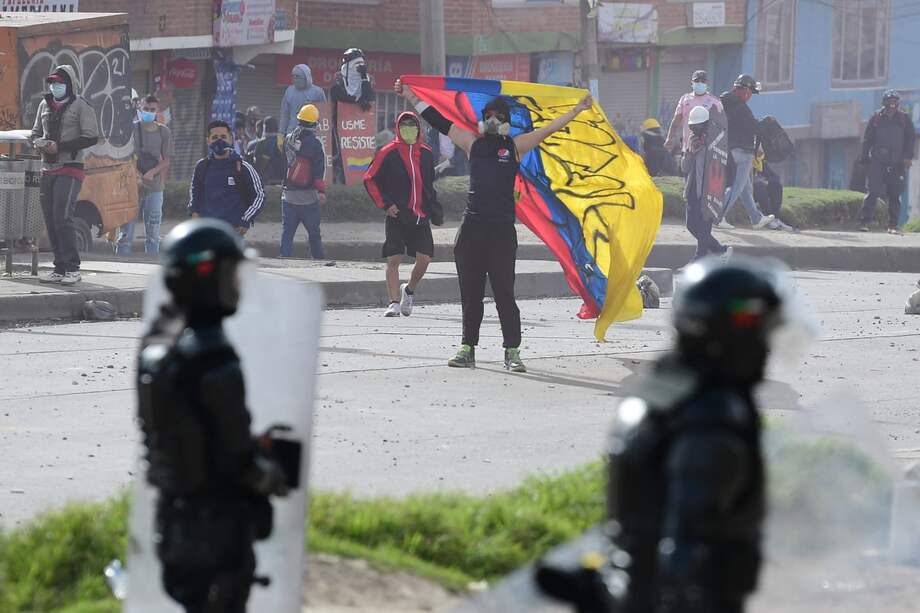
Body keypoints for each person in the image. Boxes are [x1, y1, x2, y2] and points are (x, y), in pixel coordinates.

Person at [537, 256, 810, 613]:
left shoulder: (664, 393)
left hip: (631, 593)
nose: (766, 349)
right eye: (759, 334)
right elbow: (685, 546)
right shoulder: (710, 421)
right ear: (732, 338)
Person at [138, 219, 290, 613]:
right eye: (230, 274)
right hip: (216, 525)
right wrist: (270, 473)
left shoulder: (158, 341)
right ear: (209, 277)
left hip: (173, 516)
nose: (237, 284)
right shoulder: (214, 358)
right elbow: (235, 456)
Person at [396, 78, 592, 372]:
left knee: (504, 294)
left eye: (499, 117)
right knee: (470, 294)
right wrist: (411, 95)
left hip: (501, 233)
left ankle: (512, 351)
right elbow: (437, 120)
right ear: (481, 119)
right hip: (471, 231)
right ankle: (467, 348)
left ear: (507, 123)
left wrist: (577, 109)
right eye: (488, 116)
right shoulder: (471, 143)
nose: (493, 120)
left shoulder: (514, 146)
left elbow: (549, 129)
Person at [364, 112, 443, 317]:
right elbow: (370, 179)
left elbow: (428, 186)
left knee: (425, 259)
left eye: (412, 124)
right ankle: (393, 303)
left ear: (419, 128)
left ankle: (408, 291)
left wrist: (434, 209)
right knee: (394, 259)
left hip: (420, 216)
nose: (408, 128)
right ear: (397, 128)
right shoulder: (387, 152)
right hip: (397, 215)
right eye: (404, 125)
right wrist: (385, 204)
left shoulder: (426, 153)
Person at [29, 65, 100, 285]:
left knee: (62, 216)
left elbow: (91, 137)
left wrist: (59, 146)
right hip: (47, 167)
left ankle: (72, 268)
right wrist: (37, 142)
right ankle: (59, 267)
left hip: (70, 167)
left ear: (69, 84)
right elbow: (35, 132)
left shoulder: (81, 105)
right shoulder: (44, 104)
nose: (54, 86)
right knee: (50, 219)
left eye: (59, 82)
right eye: (52, 82)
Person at [715, 74, 775, 230]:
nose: (750, 97)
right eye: (750, 92)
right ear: (744, 90)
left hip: (732, 149)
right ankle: (718, 216)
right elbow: (755, 127)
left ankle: (756, 218)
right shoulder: (740, 107)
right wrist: (767, 121)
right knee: (737, 187)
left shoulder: (726, 103)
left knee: (746, 189)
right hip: (743, 152)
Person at [116, 95, 172, 256]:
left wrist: (151, 173)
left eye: (152, 110)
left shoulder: (164, 132)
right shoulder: (131, 129)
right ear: (140, 108)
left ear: (157, 111)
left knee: (154, 230)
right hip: (131, 186)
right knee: (126, 231)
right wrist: (137, 174)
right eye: (145, 109)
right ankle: (120, 264)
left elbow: (166, 160)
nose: (148, 112)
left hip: (155, 186)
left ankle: (151, 263)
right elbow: (123, 156)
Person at [188, 120, 265, 237]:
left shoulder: (243, 167)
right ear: (208, 141)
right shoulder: (202, 166)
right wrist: (194, 211)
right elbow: (195, 191)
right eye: (215, 137)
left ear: (231, 139)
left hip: (233, 232)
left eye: (223, 136)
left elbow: (260, 195)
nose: (219, 140)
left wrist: (246, 220)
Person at [857, 89, 915, 234]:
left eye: (895, 103)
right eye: (890, 102)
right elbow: (867, 139)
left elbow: (910, 139)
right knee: (873, 191)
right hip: (878, 161)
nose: (892, 106)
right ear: (884, 103)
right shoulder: (876, 118)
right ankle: (865, 221)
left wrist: (908, 157)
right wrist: (864, 157)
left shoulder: (904, 119)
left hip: (897, 163)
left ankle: (893, 225)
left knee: (895, 194)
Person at [681, 106, 731, 263]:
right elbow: (684, 168)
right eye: (692, 127)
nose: (695, 130)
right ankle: (720, 250)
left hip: (709, 191)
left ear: (706, 125)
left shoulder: (716, 141)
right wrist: (690, 152)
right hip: (692, 190)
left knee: (704, 225)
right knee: (691, 225)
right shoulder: (692, 141)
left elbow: (722, 165)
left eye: (698, 126)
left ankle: (699, 259)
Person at [280, 104, 327, 259]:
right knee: (314, 233)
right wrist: (321, 191)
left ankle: (284, 260)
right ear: (314, 124)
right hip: (308, 198)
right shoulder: (315, 144)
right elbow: (318, 172)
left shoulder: (288, 139)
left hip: (288, 196)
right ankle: (319, 262)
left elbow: (285, 165)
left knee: (287, 233)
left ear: (299, 120)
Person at [331, 48, 376, 183]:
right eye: (355, 65)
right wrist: (358, 100)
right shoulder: (338, 83)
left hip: (361, 136)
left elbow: (370, 97)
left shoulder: (365, 81)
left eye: (360, 66)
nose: (358, 69)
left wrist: (363, 77)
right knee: (341, 161)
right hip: (341, 133)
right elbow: (339, 96)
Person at [665, 69, 723, 155]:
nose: (700, 83)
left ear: (707, 83)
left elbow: (721, 126)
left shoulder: (714, 102)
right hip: (687, 148)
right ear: (692, 83)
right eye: (697, 81)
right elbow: (676, 122)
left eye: (703, 81)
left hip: (707, 149)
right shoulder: (685, 99)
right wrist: (669, 139)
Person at [280, 64, 326, 135]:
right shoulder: (289, 91)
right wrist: (281, 133)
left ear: (306, 77)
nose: (295, 79)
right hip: (291, 132)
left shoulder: (318, 92)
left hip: (311, 133)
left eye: (297, 76)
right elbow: (285, 115)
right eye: (293, 76)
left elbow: (324, 114)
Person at [247, 116, 286, 186]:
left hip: (266, 183)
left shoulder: (260, 144)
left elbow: (257, 166)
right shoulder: (283, 141)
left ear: (264, 128)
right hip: (282, 183)